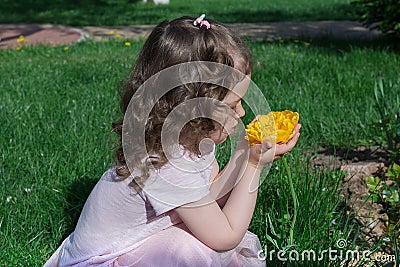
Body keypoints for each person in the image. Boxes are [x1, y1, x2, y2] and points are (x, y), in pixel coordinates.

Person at [44, 14, 301, 267]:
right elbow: (225, 236)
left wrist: (245, 151)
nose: (242, 113)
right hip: (103, 259)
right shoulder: (167, 166)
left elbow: (209, 201)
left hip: (133, 246)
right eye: (233, 105)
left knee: (193, 242)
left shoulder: (184, 142)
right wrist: (255, 166)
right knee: (190, 251)